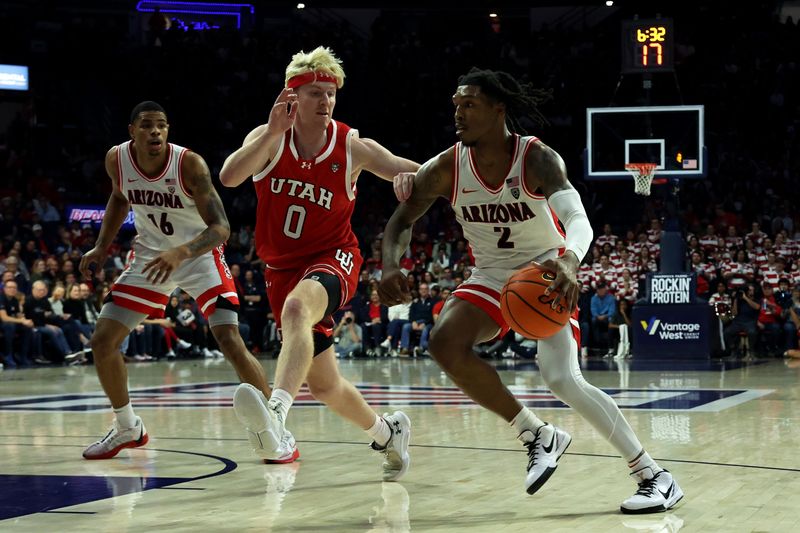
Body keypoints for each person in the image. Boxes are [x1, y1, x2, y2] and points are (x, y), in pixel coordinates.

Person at [378, 68, 683, 513]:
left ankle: (654, 476)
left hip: (544, 273)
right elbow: (400, 222)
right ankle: (537, 433)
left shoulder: (537, 159)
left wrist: (570, 259)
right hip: (490, 275)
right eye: (456, 106)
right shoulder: (445, 167)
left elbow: (578, 220)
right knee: (444, 342)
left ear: (498, 108)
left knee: (562, 379)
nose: (458, 114)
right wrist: (389, 264)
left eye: (470, 105)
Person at [220, 47, 417, 481]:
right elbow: (229, 177)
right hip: (282, 269)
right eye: (314, 93)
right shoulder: (268, 138)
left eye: (330, 93)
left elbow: (413, 171)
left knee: (296, 310)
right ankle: (388, 431)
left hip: (335, 257)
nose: (325, 101)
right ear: (291, 96)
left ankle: (277, 414)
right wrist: (271, 134)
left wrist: (411, 178)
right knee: (324, 385)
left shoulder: (350, 144)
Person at [78, 101, 298, 463]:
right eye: (147, 126)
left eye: (162, 126)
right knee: (103, 341)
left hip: (198, 255)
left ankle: (278, 427)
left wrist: (182, 252)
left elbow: (221, 228)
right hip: (150, 257)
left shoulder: (188, 164)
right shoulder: (117, 160)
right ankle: (128, 426)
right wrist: (102, 247)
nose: (155, 132)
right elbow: (119, 197)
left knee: (228, 338)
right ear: (132, 131)